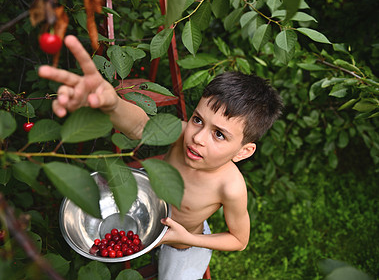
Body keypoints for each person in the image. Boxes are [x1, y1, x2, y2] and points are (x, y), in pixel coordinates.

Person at [39, 35, 283, 280]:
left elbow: (239, 240)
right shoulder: (181, 134)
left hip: (183, 243)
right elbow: (140, 127)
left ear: (243, 151)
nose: (197, 137)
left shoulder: (230, 187)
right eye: (198, 119)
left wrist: (187, 238)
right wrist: (113, 105)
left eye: (219, 134)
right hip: (147, 213)